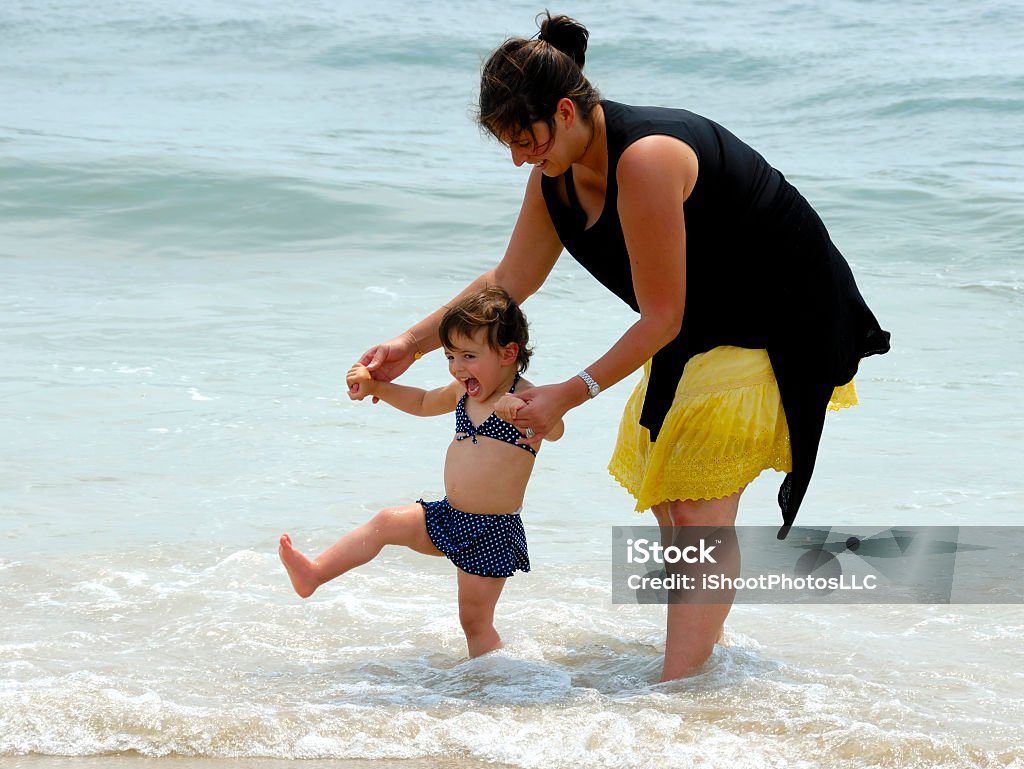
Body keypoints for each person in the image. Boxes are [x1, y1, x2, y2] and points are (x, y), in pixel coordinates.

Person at [358, 13, 890, 680]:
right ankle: (703, 663)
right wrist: (408, 343)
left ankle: (680, 690)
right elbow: (510, 280)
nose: (522, 157)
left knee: (699, 509)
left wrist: (567, 394)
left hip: (782, 319)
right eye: (509, 147)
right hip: (701, 325)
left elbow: (661, 315)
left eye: (526, 140)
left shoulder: (647, 158)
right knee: (674, 499)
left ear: (564, 110)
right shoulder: (552, 177)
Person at [279, 286, 563, 659]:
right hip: (450, 515)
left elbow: (554, 430)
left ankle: (493, 685)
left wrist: (522, 411)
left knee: (474, 621)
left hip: (491, 531)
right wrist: (376, 386)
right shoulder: (463, 392)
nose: (457, 367)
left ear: (508, 354)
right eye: (450, 356)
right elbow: (424, 402)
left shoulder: (525, 398)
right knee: (385, 522)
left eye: (468, 356)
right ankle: (314, 573)